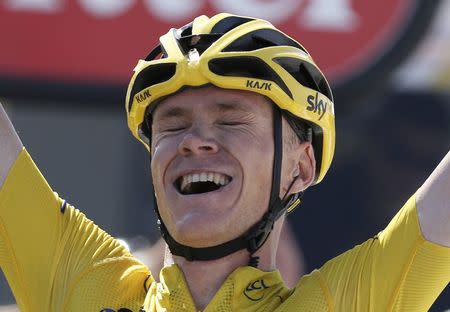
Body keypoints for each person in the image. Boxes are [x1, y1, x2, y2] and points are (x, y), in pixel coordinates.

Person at [0, 12, 449, 311]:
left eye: (231, 121)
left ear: (302, 167)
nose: (195, 142)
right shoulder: (88, 291)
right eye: (173, 125)